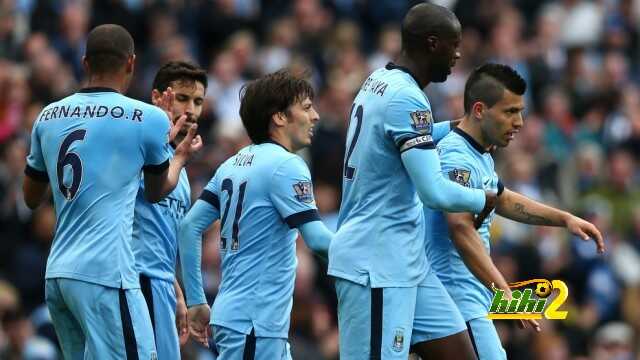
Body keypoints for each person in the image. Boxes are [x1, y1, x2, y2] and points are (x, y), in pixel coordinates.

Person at [328, 3, 497, 359]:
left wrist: (455, 128)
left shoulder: (379, 80)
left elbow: (395, 137)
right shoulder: (408, 98)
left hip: (406, 259)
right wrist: (485, 199)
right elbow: (434, 191)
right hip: (375, 263)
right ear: (433, 43)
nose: (458, 54)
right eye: (454, 44)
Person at [22, 24, 202, 359]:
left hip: (59, 275)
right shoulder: (147, 118)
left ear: (85, 62)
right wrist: (178, 158)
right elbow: (157, 191)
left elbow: (31, 197)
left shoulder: (47, 116)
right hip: (106, 274)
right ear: (131, 63)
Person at [425, 63, 605, 360]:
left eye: (521, 111)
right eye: (510, 112)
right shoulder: (457, 156)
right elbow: (459, 227)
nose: (519, 122)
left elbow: (501, 199)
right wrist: (504, 293)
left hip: (467, 297)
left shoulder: (478, 153)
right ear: (480, 110)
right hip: (456, 299)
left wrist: (564, 219)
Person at [178, 69, 333, 359]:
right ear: (279, 116)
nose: (316, 117)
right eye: (307, 107)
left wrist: (197, 301)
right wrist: (372, 255)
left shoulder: (232, 164)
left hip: (243, 319)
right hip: (254, 324)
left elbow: (189, 227)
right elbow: (318, 240)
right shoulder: (287, 165)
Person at [132, 60, 207, 359]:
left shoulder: (180, 159)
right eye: (183, 98)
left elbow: (159, 231)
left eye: (198, 101)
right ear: (157, 97)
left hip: (160, 282)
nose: (191, 109)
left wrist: (176, 291)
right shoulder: (138, 145)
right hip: (136, 280)